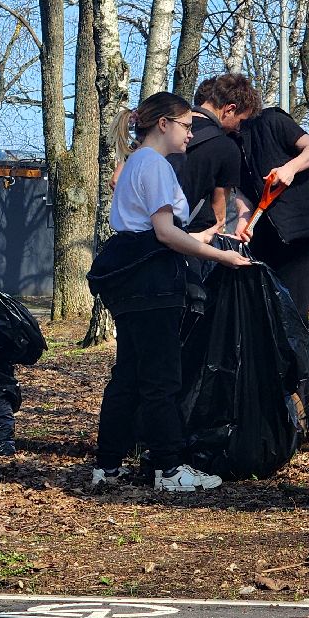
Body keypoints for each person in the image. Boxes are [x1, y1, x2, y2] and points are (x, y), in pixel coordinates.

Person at [87, 93, 253, 492]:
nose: (191, 134)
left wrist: (194, 236)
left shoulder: (133, 165)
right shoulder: (155, 165)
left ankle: (107, 466)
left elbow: (151, 227)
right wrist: (221, 256)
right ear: (164, 124)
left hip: (131, 277)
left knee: (128, 374)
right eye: (186, 125)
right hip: (152, 281)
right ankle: (169, 469)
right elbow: (162, 233)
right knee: (161, 378)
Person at [196, 73, 309, 422]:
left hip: (299, 238)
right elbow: (241, 196)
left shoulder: (272, 120)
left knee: (295, 319)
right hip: (264, 243)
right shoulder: (227, 145)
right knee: (268, 321)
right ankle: (278, 407)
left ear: (235, 109)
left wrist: (290, 168)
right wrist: (243, 216)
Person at [166, 79, 249, 241]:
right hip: (193, 239)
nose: (239, 128)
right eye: (241, 121)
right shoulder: (227, 147)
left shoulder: (165, 128)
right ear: (230, 109)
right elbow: (219, 215)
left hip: (145, 235)